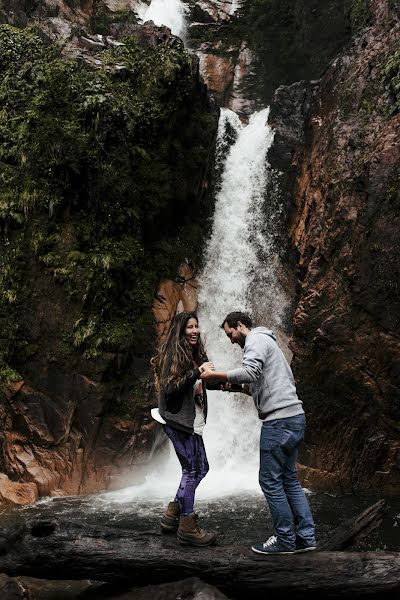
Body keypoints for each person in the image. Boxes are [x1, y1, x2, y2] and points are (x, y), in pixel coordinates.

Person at [200, 311, 317, 555]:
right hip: (294, 417)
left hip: (279, 423)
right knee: (289, 480)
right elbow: (262, 383)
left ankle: (285, 539)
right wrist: (234, 388)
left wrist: (214, 374)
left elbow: (250, 372)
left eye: (230, 333)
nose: (230, 340)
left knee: (269, 482)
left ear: (240, 325)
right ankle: (306, 538)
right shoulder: (267, 341)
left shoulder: (255, 340)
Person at [151, 311, 218, 547]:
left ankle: (171, 517)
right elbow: (170, 388)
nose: (195, 331)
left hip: (192, 422)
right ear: (180, 330)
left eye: (196, 326)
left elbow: (204, 381)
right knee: (191, 470)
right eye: (190, 327)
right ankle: (187, 526)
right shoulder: (172, 353)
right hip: (177, 421)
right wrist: (196, 372)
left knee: (202, 468)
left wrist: (233, 384)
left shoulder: (194, 353)